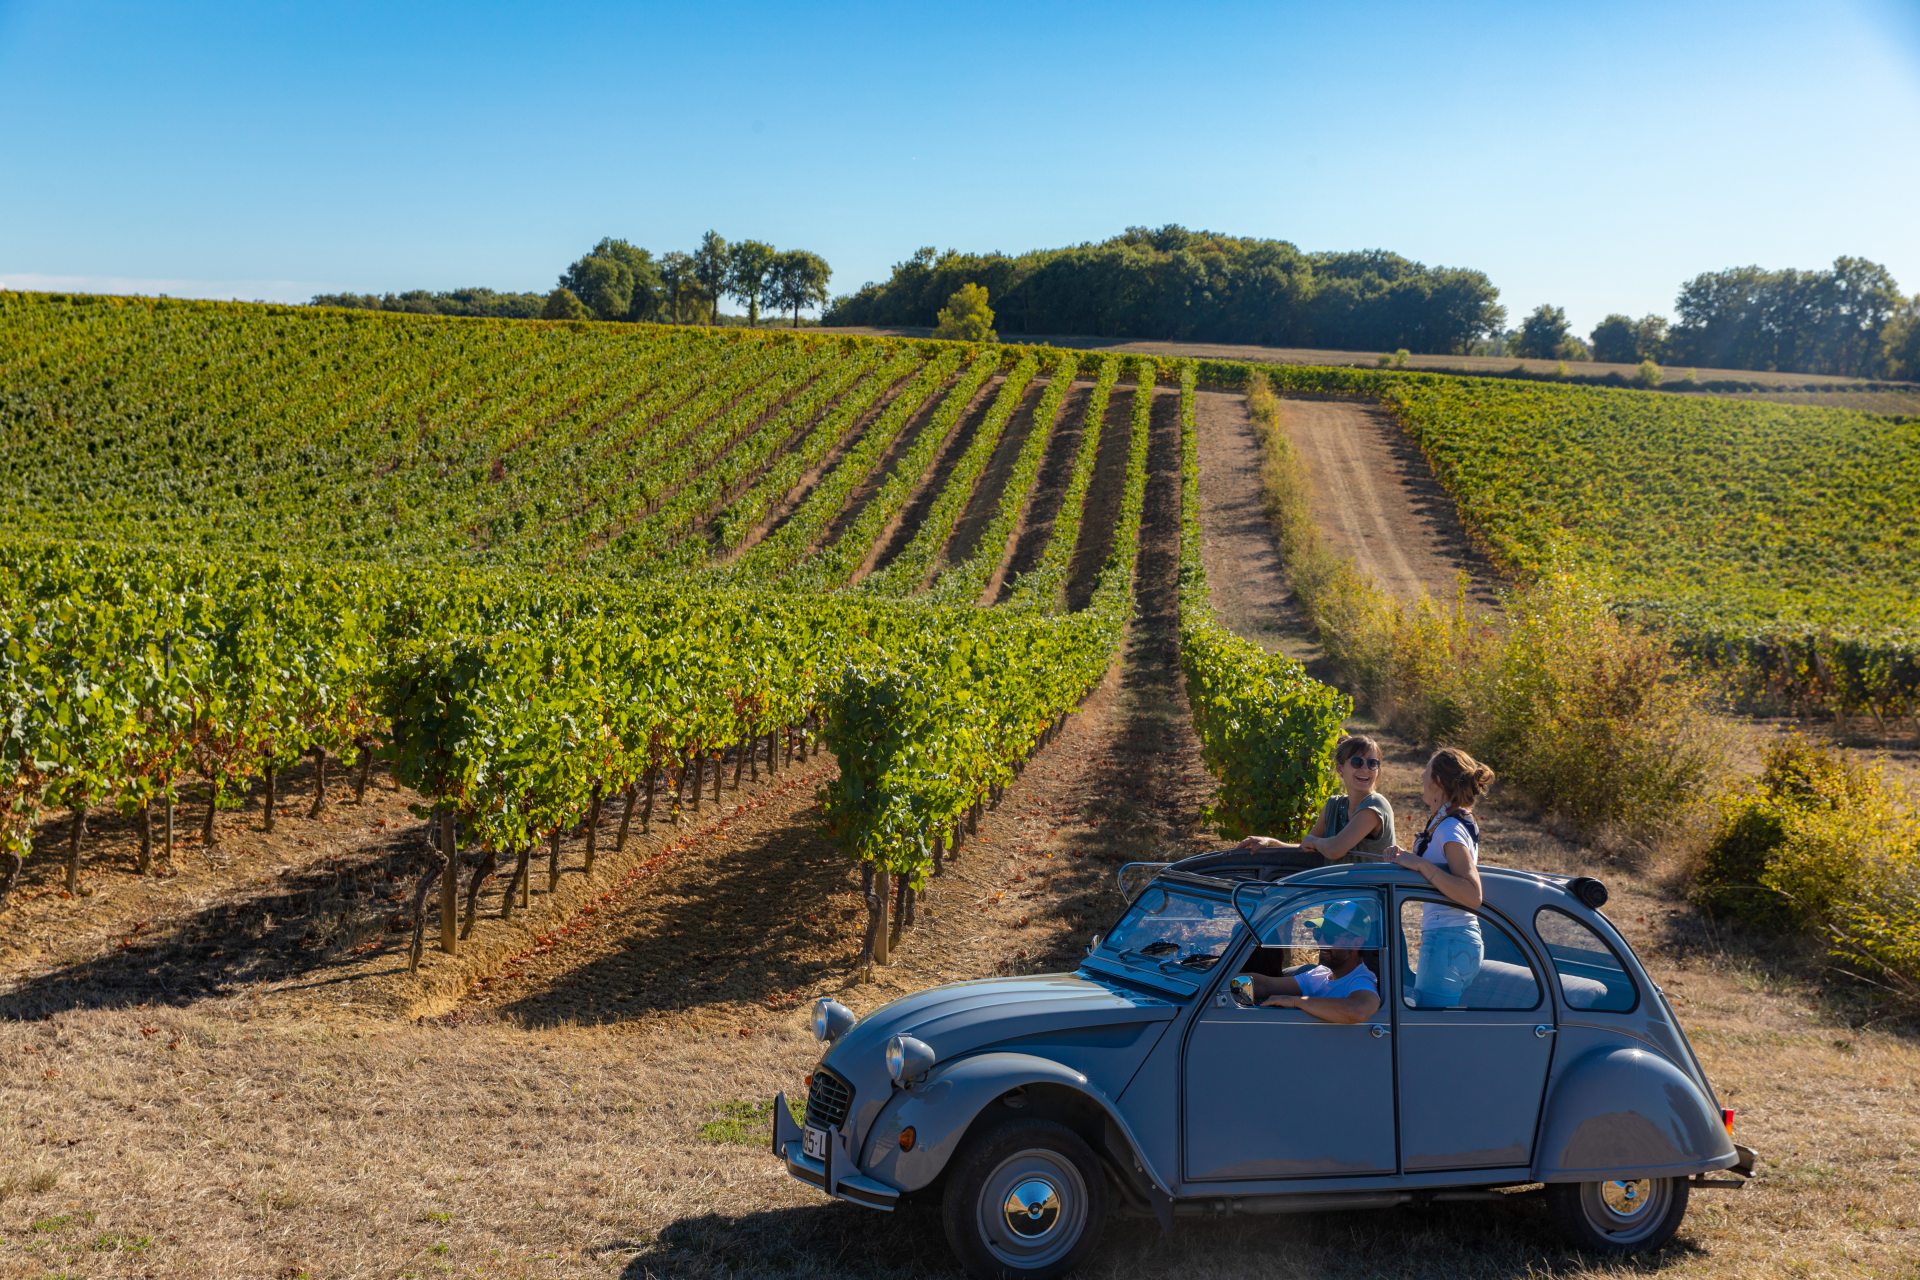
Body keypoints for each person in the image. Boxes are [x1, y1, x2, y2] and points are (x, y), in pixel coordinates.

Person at [1390, 747, 1495, 1007]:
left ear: (1437, 781)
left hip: (1447, 940)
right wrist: (1407, 860)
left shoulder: (1450, 829)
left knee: (1431, 1034)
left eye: (1425, 771)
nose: (1420, 778)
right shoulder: (1447, 820)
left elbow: (1472, 894)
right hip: (1452, 940)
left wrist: (1422, 866)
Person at [1235, 735, 1396, 863]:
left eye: (1372, 763)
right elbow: (1306, 848)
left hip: (1372, 900)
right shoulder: (1333, 805)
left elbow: (1334, 849)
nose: (1365, 769)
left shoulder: (1376, 804)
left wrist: (1315, 842)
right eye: (1357, 762)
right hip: (1337, 899)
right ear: (1340, 769)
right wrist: (1270, 843)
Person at [1233, 899, 1381, 1024]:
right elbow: (1265, 985)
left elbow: (1357, 1010)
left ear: (1356, 942)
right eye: (1318, 933)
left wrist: (1296, 1001)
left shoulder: (1361, 980)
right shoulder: (1320, 974)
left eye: (1329, 936)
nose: (1321, 942)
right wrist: (1223, 981)